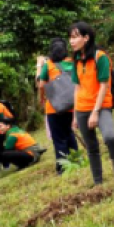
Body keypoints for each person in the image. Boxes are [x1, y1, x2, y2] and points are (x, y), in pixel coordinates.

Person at [69, 22, 114, 186]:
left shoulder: (100, 57)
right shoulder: (77, 59)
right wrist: (74, 115)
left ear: (86, 38)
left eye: (75, 37)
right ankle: (98, 181)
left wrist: (95, 112)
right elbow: (77, 88)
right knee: (91, 147)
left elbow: (104, 85)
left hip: (101, 106)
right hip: (81, 108)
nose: (71, 42)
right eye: (70, 38)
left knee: (110, 137)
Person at [36, 38, 78, 175]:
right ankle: (76, 161)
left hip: (54, 108)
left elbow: (41, 85)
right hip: (72, 105)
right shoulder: (72, 62)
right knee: (70, 134)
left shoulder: (48, 65)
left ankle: (63, 167)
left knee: (59, 138)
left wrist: (42, 98)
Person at [0, 102, 43, 171]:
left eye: (0, 126)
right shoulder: (15, 129)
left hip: (32, 155)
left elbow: (7, 150)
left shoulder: (12, 135)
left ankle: (22, 164)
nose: (0, 128)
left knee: (4, 154)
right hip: (33, 152)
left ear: (8, 126)